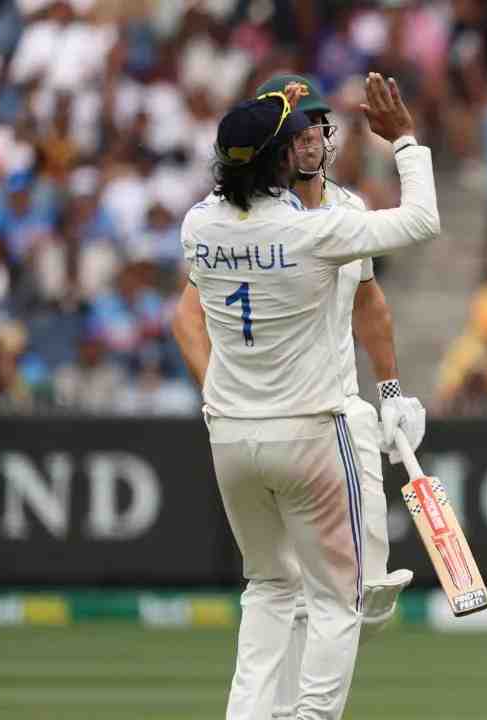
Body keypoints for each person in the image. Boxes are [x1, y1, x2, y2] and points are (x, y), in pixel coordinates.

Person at [178, 74, 438, 720]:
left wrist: (390, 388)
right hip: (312, 430)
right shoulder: (317, 231)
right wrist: (404, 139)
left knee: (268, 588)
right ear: (280, 157)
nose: (312, 138)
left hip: (233, 435)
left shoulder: (197, 226)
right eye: (295, 132)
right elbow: (424, 220)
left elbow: (367, 303)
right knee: (339, 599)